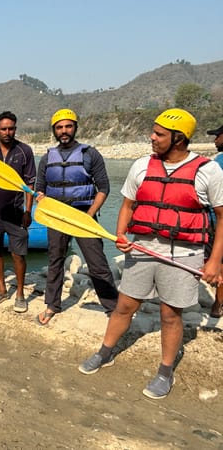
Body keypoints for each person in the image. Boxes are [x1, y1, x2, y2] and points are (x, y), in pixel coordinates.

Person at [78, 108, 223, 399]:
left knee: (170, 315)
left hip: (183, 255)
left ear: (179, 138)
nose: (151, 137)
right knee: (124, 307)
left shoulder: (208, 171)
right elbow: (128, 206)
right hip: (142, 250)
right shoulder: (142, 165)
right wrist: (120, 234)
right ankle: (105, 351)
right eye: (153, 132)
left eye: (159, 134)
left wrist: (215, 261)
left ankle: (165, 371)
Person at [35, 108, 118, 325]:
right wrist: (40, 198)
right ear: (54, 130)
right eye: (59, 127)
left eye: (68, 126)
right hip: (57, 215)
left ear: (75, 128)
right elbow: (40, 188)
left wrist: (89, 215)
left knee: (97, 262)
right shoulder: (46, 158)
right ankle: (52, 305)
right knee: (55, 260)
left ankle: (113, 308)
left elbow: (104, 187)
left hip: (83, 214)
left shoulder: (90, 154)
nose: (64, 131)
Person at [0, 111, 36, 312]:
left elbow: (30, 184)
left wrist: (28, 211)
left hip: (15, 211)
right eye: (3, 128)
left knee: (18, 254)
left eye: (11, 128)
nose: (7, 132)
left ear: (15, 129)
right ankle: (2, 290)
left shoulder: (24, 151)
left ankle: (19, 294)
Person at [207, 123, 223, 318]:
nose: (214, 140)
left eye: (217, 136)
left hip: (217, 221)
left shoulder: (218, 162)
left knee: (219, 262)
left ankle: (218, 304)